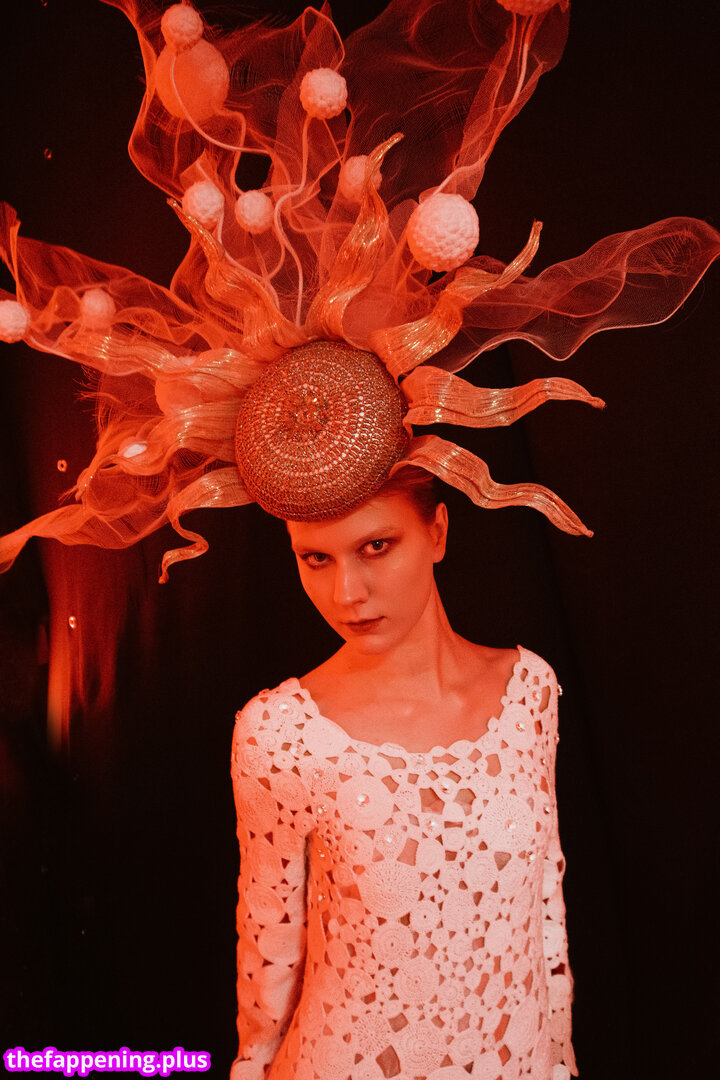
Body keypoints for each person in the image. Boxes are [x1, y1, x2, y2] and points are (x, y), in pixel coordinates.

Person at [231, 468, 575, 1080]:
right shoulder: (281, 733)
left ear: (437, 533)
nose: (347, 593)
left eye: (375, 546)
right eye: (315, 558)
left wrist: (557, 1056)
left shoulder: (529, 691)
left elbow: (544, 902)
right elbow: (269, 954)